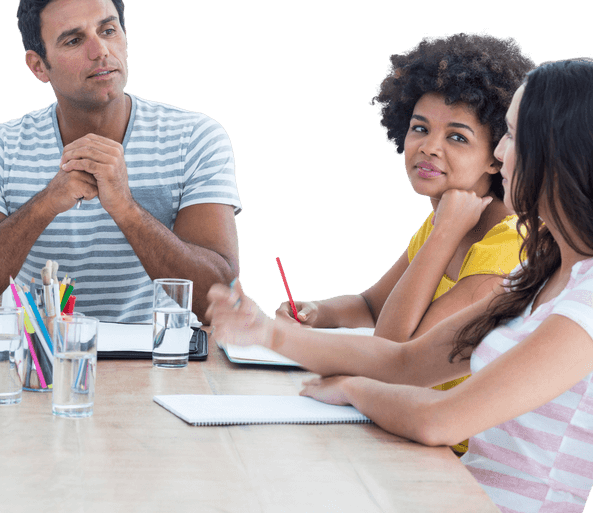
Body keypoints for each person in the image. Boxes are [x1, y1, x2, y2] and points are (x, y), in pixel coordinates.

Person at [207, 59, 593, 513]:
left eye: (512, 135)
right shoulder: (542, 273)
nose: (502, 153)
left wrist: (353, 390)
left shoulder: (585, 302)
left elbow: (441, 420)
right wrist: (266, 332)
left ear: (560, 149)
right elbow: (406, 361)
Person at [0, 0, 240, 322]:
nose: (100, 51)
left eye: (108, 30)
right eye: (75, 40)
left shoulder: (196, 138)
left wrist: (127, 210)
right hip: (40, 366)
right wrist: (46, 203)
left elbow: (217, 302)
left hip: (163, 364)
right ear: (38, 66)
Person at [274, 34, 535, 453]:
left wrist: (445, 234)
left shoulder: (510, 245)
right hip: (406, 430)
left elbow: (394, 354)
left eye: (457, 137)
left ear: (496, 155)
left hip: (456, 456)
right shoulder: (443, 222)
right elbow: (373, 306)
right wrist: (318, 313)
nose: (429, 147)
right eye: (420, 129)